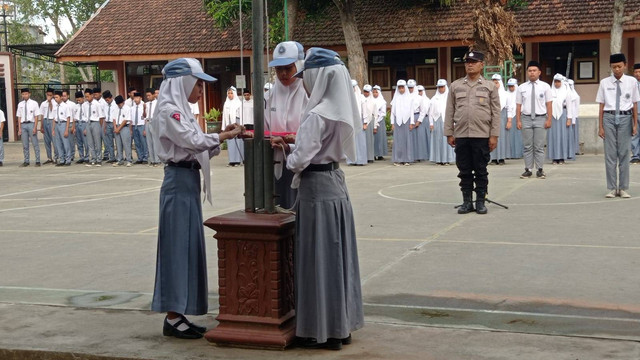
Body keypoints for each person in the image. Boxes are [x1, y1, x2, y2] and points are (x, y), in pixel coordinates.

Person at [271, 47, 363, 350]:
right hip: (335, 183)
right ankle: (341, 327)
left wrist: (289, 152)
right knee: (337, 259)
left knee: (316, 260)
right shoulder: (339, 109)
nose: (304, 82)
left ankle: (321, 332)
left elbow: (299, 161)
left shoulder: (317, 114)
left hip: (315, 189)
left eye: (305, 76)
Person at [151, 58, 243, 340]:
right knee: (177, 248)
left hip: (188, 181)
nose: (201, 90)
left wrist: (218, 140)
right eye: (198, 83)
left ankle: (180, 313)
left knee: (187, 247)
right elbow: (193, 142)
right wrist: (222, 135)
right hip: (178, 182)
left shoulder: (184, 111)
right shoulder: (169, 111)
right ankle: (172, 316)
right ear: (182, 83)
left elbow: (199, 145)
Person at [444, 50, 500, 215]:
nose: (470, 64)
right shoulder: (456, 85)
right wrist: (449, 132)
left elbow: (496, 112)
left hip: (482, 135)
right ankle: (467, 202)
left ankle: (480, 202)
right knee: (464, 170)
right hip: (461, 135)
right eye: (467, 61)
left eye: (474, 62)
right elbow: (449, 110)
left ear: (481, 65)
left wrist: (494, 135)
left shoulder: (489, 86)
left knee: (481, 170)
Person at [264, 41, 308, 209]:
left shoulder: (308, 94)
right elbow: (264, 128)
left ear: (299, 65)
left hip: (303, 163)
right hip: (276, 162)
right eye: (278, 69)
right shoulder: (269, 97)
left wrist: (293, 140)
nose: (283, 74)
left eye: (288, 68)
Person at [596, 53, 640, 198]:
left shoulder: (632, 82)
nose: (617, 70)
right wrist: (600, 126)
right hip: (608, 118)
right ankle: (611, 187)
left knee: (624, 153)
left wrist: (634, 124)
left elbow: (634, 104)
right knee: (610, 155)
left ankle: (623, 187)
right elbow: (601, 105)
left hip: (625, 118)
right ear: (610, 67)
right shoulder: (604, 83)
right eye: (614, 67)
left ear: (625, 65)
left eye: (619, 66)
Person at [516, 60, 552, 179]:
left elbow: (549, 104)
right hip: (526, 118)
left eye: (534, 70)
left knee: (539, 146)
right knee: (527, 146)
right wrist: (518, 120)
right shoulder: (521, 88)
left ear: (539, 72)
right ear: (527, 72)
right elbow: (518, 105)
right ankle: (528, 169)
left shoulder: (545, 87)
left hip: (540, 118)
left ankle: (540, 169)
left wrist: (549, 119)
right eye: (530, 71)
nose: (532, 73)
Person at [547, 74, 573, 164]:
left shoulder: (566, 91)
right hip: (552, 116)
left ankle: (562, 157)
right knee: (553, 136)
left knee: (562, 136)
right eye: (555, 81)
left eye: (558, 81)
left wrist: (569, 118)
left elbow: (570, 105)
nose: (557, 83)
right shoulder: (550, 91)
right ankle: (554, 157)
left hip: (563, 115)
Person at [429, 79, 455, 165]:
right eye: (439, 87)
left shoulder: (450, 97)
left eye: (442, 87)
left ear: (445, 87)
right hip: (437, 121)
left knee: (446, 140)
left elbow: (454, 110)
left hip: (447, 121)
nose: (441, 89)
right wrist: (431, 123)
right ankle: (438, 159)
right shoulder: (434, 98)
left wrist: (454, 123)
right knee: (438, 140)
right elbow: (430, 113)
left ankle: (446, 159)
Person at [391, 80, 414, 166]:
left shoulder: (410, 98)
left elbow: (411, 111)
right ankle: (397, 159)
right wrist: (392, 123)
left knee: (407, 140)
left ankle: (407, 159)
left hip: (406, 121)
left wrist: (411, 122)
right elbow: (393, 112)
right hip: (398, 121)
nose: (401, 89)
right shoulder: (395, 98)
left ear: (405, 88)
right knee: (398, 141)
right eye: (399, 88)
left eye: (402, 87)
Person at [16, 88, 42, 167]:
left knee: (35, 143)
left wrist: (35, 127)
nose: (25, 95)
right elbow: (19, 117)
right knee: (25, 144)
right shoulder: (20, 104)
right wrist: (19, 128)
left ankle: (38, 160)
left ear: (29, 94)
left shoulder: (34, 103)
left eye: (26, 94)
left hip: (31, 123)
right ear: (21, 95)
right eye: (23, 94)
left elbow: (36, 116)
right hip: (23, 124)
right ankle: (26, 160)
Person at [83, 88, 105, 166]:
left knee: (97, 142)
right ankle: (93, 158)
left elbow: (101, 117)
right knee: (90, 142)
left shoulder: (97, 104)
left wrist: (100, 126)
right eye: (85, 96)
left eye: (88, 96)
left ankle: (99, 159)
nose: (86, 98)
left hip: (96, 123)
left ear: (92, 95)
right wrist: (86, 127)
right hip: (88, 123)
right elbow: (84, 116)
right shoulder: (84, 105)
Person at [489, 74, 508, 165]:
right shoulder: (488, 93)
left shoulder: (505, 94)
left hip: (502, 116)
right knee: (492, 136)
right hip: (491, 117)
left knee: (501, 137)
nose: (495, 84)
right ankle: (493, 158)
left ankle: (501, 158)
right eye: (493, 82)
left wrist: (509, 120)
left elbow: (509, 108)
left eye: (497, 82)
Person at [222, 86, 243, 167]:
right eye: (228, 93)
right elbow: (224, 115)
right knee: (230, 141)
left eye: (231, 93)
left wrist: (241, 126)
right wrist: (224, 127)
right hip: (229, 123)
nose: (230, 95)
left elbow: (241, 115)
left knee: (238, 141)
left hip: (237, 122)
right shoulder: (226, 103)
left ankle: (238, 160)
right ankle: (232, 160)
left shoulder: (238, 103)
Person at [407, 80, 428, 162]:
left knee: (419, 138)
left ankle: (419, 156)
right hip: (408, 117)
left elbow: (423, 110)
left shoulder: (419, 98)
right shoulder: (406, 97)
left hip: (417, 116)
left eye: (411, 87)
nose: (410, 89)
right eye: (409, 88)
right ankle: (410, 155)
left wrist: (419, 121)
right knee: (410, 138)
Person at [347, 79, 367, 166]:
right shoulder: (346, 97)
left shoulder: (362, 97)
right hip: (350, 121)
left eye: (353, 87)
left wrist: (365, 122)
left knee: (360, 142)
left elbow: (365, 111)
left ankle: (361, 160)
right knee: (351, 142)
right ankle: (352, 160)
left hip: (359, 121)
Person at [52, 90, 72, 166]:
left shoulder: (65, 106)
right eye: (54, 97)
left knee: (65, 143)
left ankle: (68, 159)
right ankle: (61, 159)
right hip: (57, 124)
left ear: (61, 97)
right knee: (58, 143)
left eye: (57, 97)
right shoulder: (55, 106)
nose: (55, 99)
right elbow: (54, 118)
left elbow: (68, 118)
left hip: (63, 124)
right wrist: (53, 129)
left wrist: (66, 129)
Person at [113, 95, 133, 167]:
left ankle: (129, 160)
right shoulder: (116, 108)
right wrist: (115, 128)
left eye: (120, 104)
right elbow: (114, 119)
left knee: (126, 144)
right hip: (117, 127)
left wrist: (119, 128)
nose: (119, 105)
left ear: (123, 102)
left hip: (124, 127)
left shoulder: (127, 108)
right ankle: (119, 160)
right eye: (118, 104)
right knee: (118, 145)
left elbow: (126, 120)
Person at [505, 78, 523, 159]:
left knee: (518, 135)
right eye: (509, 86)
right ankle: (510, 154)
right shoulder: (506, 94)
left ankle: (518, 153)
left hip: (518, 115)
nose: (511, 88)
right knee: (509, 136)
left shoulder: (519, 94)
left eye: (512, 86)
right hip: (509, 116)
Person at [130, 92, 148, 164]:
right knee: (137, 142)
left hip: (141, 125)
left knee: (143, 142)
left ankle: (145, 157)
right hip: (134, 126)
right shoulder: (132, 108)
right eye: (134, 98)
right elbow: (131, 119)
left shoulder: (144, 106)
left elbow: (145, 118)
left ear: (140, 98)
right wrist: (131, 129)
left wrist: (145, 129)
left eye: (137, 98)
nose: (136, 99)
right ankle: (139, 157)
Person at [39, 88, 56, 164]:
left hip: (52, 120)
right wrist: (41, 126)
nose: (48, 96)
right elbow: (42, 115)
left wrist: (50, 102)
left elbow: (53, 110)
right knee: (47, 141)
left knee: (54, 140)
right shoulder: (43, 103)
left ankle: (56, 157)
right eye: (47, 94)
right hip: (46, 121)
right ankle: (49, 157)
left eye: (50, 95)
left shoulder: (55, 102)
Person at [372, 85, 388, 160]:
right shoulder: (370, 100)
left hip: (380, 121)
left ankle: (380, 154)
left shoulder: (382, 102)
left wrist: (377, 120)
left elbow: (383, 113)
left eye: (376, 92)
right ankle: (373, 154)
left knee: (380, 138)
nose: (374, 94)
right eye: (373, 92)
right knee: (373, 138)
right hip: (372, 121)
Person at [73, 91, 89, 164]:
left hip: (84, 123)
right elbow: (74, 118)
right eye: (77, 100)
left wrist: (86, 128)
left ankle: (87, 157)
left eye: (79, 99)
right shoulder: (76, 106)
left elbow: (88, 117)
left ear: (83, 98)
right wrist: (74, 127)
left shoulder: (86, 105)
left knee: (86, 142)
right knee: (79, 142)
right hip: (77, 123)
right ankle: (81, 156)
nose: (78, 101)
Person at [145, 88, 160, 166]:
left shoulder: (158, 103)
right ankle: (152, 159)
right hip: (147, 121)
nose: (148, 97)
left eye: (149, 95)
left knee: (155, 141)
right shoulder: (146, 104)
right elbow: (145, 115)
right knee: (149, 141)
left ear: (154, 95)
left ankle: (157, 160)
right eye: (147, 96)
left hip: (154, 122)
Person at [102, 90, 117, 163]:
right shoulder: (105, 105)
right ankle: (112, 157)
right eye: (105, 100)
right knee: (109, 142)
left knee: (117, 141)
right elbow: (104, 117)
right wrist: (104, 127)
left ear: (111, 97)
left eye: (107, 100)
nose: (107, 101)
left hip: (114, 124)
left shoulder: (116, 104)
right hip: (107, 124)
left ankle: (119, 156)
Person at [362, 84, 376, 163]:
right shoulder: (361, 99)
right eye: (364, 92)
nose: (366, 93)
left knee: (369, 140)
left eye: (367, 92)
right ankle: (363, 156)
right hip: (363, 121)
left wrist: (375, 126)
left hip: (370, 121)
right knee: (363, 141)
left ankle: (370, 157)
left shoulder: (373, 101)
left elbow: (375, 115)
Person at [567, 79, 581, 158]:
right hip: (568, 117)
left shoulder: (575, 96)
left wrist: (574, 119)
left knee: (572, 136)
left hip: (573, 118)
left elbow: (576, 108)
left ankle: (573, 151)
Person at [62, 90, 77, 162]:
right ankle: (65, 155)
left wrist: (73, 126)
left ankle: (72, 155)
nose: (63, 97)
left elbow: (74, 116)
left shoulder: (72, 104)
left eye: (65, 96)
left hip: (70, 123)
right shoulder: (60, 105)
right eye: (62, 96)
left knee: (71, 141)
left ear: (68, 96)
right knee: (64, 141)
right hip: (63, 124)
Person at [630, 63, 640, 164]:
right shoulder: (632, 84)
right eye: (636, 72)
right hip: (635, 113)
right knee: (635, 134)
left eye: (639, 72)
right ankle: (636, 155)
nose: (637, 74)